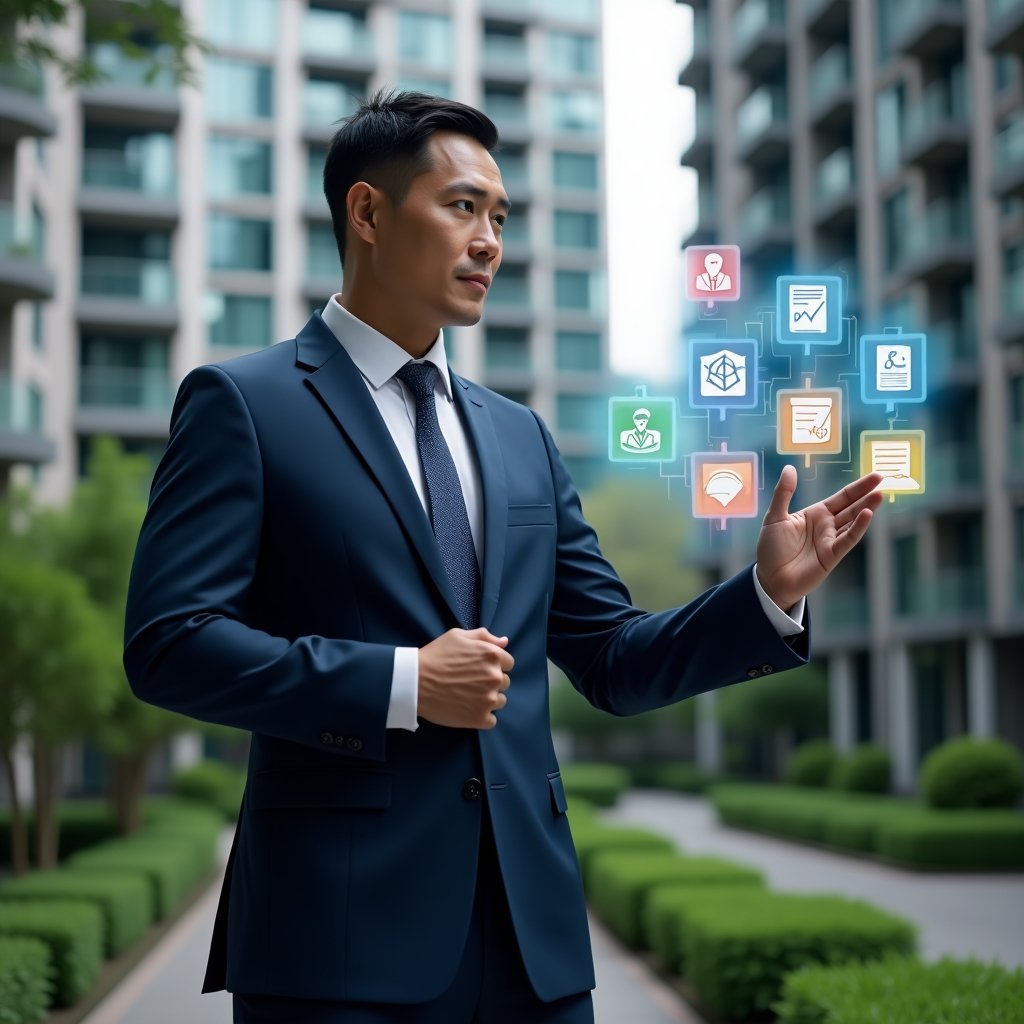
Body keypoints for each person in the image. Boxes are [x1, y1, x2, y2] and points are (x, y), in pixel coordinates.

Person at [123, 90, 883, 1024]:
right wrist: (401, 683)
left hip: (535, 951)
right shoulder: (243, 404)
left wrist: (763, 595)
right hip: (338, 947)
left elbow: (612, 658)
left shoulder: (519, 436)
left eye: (499, 216)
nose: (489, 239)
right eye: (461, 207)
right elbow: (169, 642)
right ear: (367, 212)